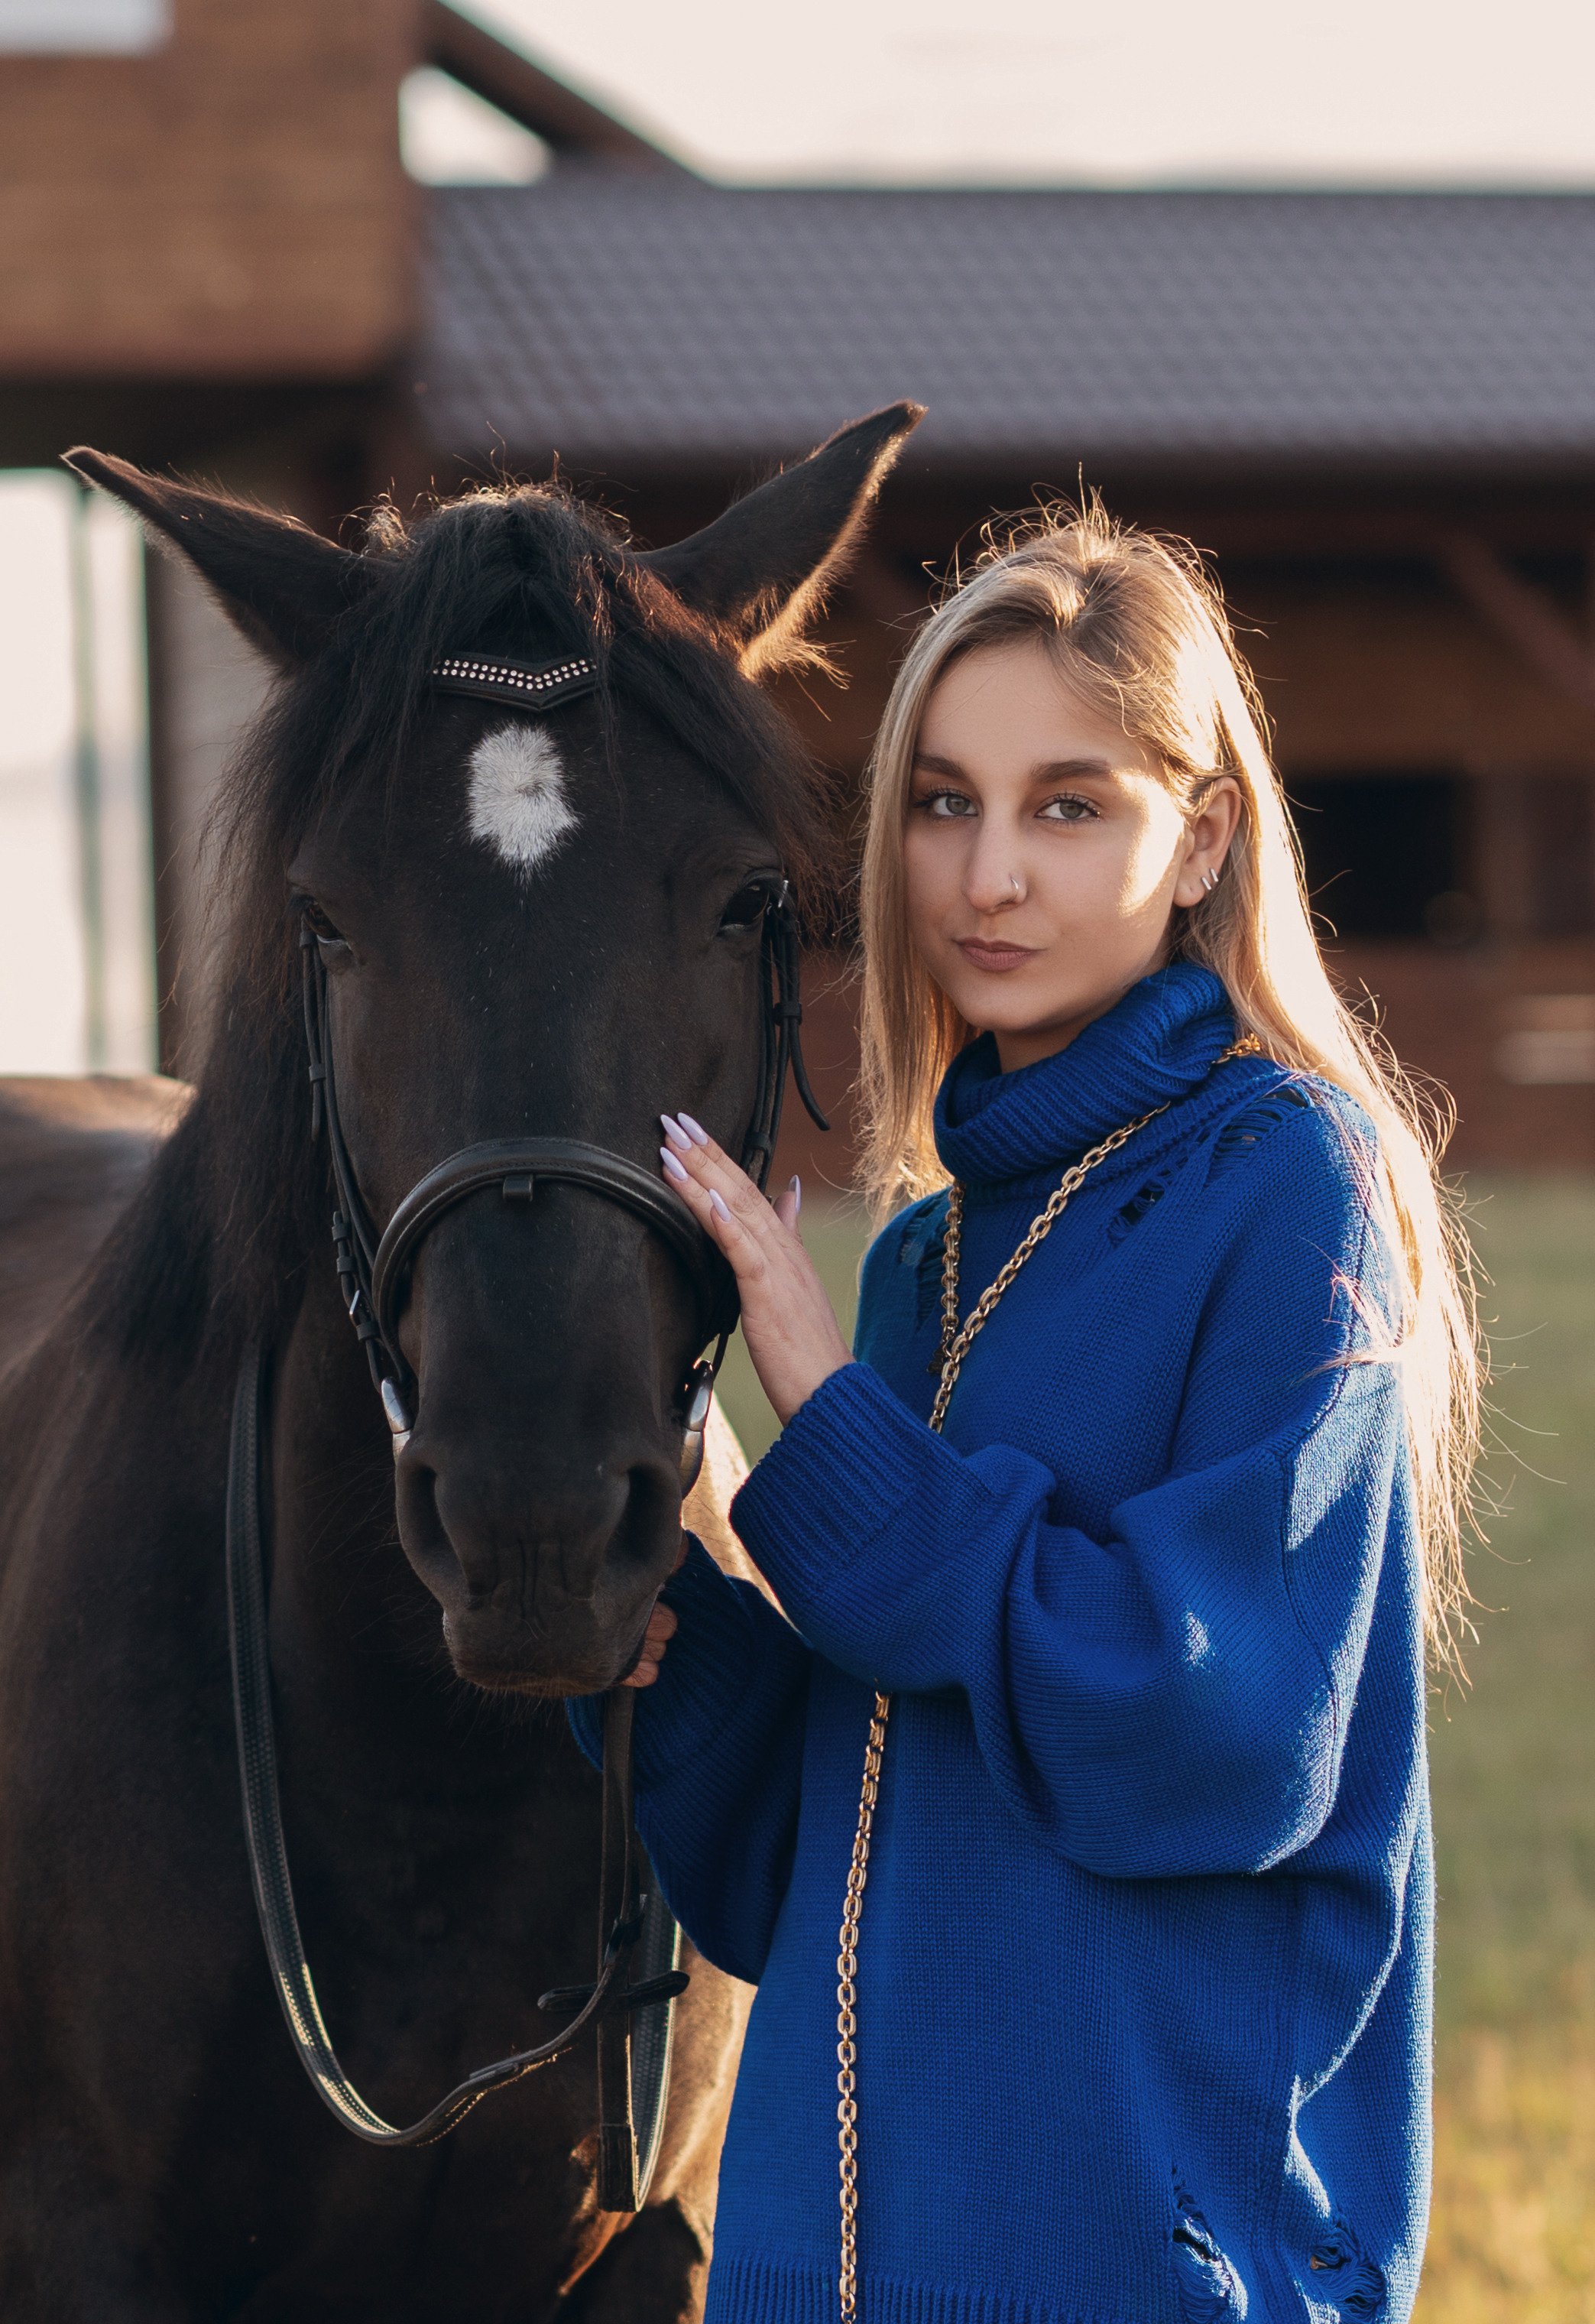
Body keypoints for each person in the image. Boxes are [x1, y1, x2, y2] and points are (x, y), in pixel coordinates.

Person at [573, 504, 1478, 2324]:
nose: (989, 874)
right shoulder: (922, 1259)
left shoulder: (1290, 1181)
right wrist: (658, 1592)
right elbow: (826, 1868)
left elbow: (1213, 1727)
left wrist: (828, 1414)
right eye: (941, 801)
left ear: (1201, 832)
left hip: (1126, 2261)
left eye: (1070, 804)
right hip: (828, 2262)